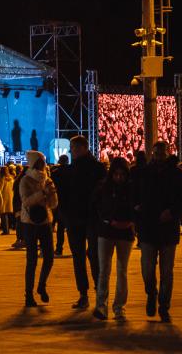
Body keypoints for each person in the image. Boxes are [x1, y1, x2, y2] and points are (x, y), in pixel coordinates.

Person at [135, 141, 182, 323]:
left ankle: (164, 305)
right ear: (151, 154)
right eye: (156, 153)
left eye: (162, 154)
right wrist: (138, 209)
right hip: (148, 227)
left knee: (167, 271)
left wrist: (173, 212)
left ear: (168, 154)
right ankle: (151, 293)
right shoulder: (144, 173)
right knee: (147, 269)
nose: (158, 157)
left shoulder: (177, 174)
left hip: (168, 229)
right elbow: (135, 195)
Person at [58, 136, 106, 309]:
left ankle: (87, 294)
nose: (72, 151)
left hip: (83, 219)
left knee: (85, 256)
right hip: (87, 219)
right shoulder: (97, 168)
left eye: (74, 148)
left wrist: (65, 216)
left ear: (84, 148)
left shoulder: (78, 170)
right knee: (91, 256)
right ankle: (97, 293)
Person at [92, 157, 135, 321]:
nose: (119, 177)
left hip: (124, 232)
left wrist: (129, 221)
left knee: (122, 271)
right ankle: (101, 306)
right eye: (116, 174)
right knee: (104, 271)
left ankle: (119, 307)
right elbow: (97, 207)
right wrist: (109, 220)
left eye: (122, 174)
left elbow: (136, 207)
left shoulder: (131, 188)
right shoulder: (103, 187)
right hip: (107, 231)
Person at [19, 151, 58, 307]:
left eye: (44, 161)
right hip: (29, 222)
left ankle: (41, 285)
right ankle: (28, 294)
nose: (43, 164)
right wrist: (42, 193)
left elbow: (54, 204)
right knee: (32, 260)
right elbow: (26, 201)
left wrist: (52, 192)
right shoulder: (25, 180)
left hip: (45, 221)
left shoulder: (48, 180)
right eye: (41, 161)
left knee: (49, 257)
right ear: (35, 162)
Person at [50, 154, 70, 256]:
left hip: (59, 202)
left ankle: (59, 248)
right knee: (72, 228)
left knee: (60, 228)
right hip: (70, 202)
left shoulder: (55, 172)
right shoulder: (71, 171)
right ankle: (75, 249)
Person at [0, 166, 14, 235]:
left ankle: (5, 230)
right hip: (10, 197)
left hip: (3, 197)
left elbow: (0, 189)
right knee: (7, 214)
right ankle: (8, 228)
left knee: (3, 214)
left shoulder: (2, 179)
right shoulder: (11, 179)